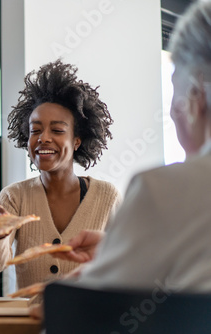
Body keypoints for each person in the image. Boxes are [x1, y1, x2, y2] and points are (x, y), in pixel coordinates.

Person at [53, 0, 211, 293]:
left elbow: (93, 315)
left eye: (173, 92)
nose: (173, 112)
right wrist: (120, 249)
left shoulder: (163, 190)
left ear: (196, 97)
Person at [0, 60, 121, 293]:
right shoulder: (14, 196)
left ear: (76, 140)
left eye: (57, 130)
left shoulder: (107, 196)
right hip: (31, 326)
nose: (43, 138)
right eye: (35, 130)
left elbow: (127, 266)